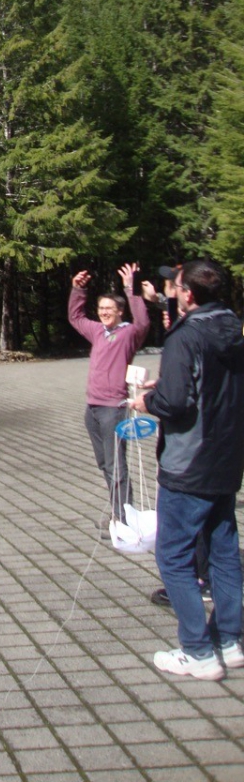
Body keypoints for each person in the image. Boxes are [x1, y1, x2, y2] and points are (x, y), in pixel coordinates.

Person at [129, 259, 244, 680]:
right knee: (222, 548)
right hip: (227, 457)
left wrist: (147, 402)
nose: (169, 288)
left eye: (174, 284)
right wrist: (172, 385)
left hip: (189, 461)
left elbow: (176, 404)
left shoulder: (187, 335)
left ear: (189, 293)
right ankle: (230, 641)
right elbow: (205, 385)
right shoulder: (232, 328)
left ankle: (197, 650)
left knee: (174, 556)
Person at [68, 264, 150, 526]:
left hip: (114, 409)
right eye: (101, 308)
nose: (104, 312)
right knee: (105, 463)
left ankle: (125, 517)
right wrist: (77, 289)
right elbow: (76, 318)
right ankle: (119, 510)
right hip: (92, 408)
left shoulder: (128, 334)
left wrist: (130, 287)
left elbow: (144, 321)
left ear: (120, 311)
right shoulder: (97, 332)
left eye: (109, 309)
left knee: (116, 465)